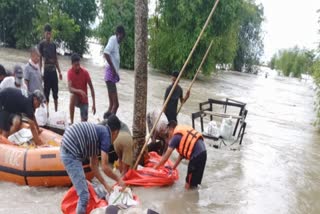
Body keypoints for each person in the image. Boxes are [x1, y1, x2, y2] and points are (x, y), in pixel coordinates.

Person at [60, 115, 125, 214]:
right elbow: (105, 166)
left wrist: (106, 185)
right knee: (84, 195)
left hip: (67, 146)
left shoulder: (100, 133)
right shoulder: (106, 136)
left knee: (84, 190)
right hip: (70, 152)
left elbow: (93, 166)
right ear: (115, 132)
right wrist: (119, 179)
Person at [153, 122, 207, 189]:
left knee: (188, 183)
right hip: (203, 153)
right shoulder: (181, 132)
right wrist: (173, 168)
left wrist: (154, 168)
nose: (168, 135)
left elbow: (165, 158)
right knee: (194, 183)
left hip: (196, 157)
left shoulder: (175, 137)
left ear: (171, 129)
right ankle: (193, 198)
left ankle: (186, 198)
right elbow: (181, 155)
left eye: (168, 133)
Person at [38, 23, 62, 112]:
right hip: (46, 71)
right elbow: (40, 59)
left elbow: (56, 59)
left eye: (49, 33)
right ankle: (46, 112)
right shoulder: (42, 44)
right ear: (44, 33)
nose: (48, 35)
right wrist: (39, 72)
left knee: (55, 93)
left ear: (51, 34)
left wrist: (59, 72)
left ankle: (56, 112)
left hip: (53, 71)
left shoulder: (53, 45)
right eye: (47, 33)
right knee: (46, 93)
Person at [67, 53, 96, 124]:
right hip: (76, 98)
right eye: (75, 65)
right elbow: (70, 89)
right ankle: (72, 122)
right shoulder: (70, 72)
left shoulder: (85, 73)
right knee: (72, 96)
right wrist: (79, 91)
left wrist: (94, 104)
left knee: (84, 123)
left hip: (84, 100)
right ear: (72, 64)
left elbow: (92, 88)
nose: (77, 67)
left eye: (78, 65)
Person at [103, 25, 126, 115]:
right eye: (121, 36)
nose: (122, 39)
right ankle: (110, 125)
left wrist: (116, 73)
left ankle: (106, 120)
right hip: (110, 74)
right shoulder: (113, 40)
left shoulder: (116, 43)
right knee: (115, 105)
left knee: (112, 104)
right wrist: (113, 69)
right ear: (118, 34)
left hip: (111, 74)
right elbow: (106, 53)